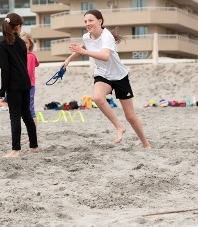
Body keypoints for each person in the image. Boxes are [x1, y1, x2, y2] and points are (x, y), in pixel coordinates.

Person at [63, 9, 151, 149]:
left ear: (100, 21)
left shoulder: (107, 36)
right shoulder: (86, 37)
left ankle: (146, 144)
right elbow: (81, 48)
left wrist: (84, 52)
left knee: (131, 116)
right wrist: (67, 61)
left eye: (91, 20)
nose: (87, 23)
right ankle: (119, 126)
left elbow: (105, 56)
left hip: (120, 76)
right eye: (85, 21)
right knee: (97, 98)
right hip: (102, 74)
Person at [0, 13, 38, 157]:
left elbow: (5, 70)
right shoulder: (21, 43)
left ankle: (16, 150)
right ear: (17, 27)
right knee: (26, 114)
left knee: (15, 116)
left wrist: (2, 90)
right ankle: (33, 146)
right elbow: (22, 64)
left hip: (14, 85)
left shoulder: (2, 45)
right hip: (26, 82)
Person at [20, 32, 39, 143]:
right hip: (24, 85)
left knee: (31, 110)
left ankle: (32, 136)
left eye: (26, 42)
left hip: (28, 86)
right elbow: (38, 63)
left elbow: (30, 71)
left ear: (30, 44)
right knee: (26, 110)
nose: (23, 44)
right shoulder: (22, 55)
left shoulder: (30, 56)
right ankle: (31, 135)